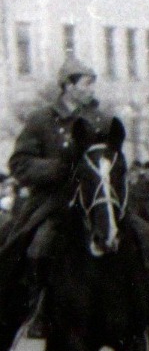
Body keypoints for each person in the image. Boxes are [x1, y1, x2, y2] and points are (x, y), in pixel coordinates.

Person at [3, 57, 129, 334]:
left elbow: (114, 157)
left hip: (96, 196)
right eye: (86, 84)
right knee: (39, 245)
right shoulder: (42, 120)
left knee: (141, 233)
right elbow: (19, 163)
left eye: (92, 84)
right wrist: (59, 168)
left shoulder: (101, 119)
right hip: (54, 199)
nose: (91, 90)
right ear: (68, 86)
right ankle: (39, 309)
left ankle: (148, 308)